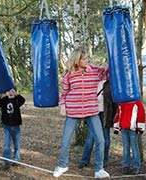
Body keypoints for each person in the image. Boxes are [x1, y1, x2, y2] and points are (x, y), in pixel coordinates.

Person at [53, 48, 110, 179]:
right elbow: (64, 93)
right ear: (77, 60)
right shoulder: (69, 74)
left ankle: (99, 169)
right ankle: (62, 165)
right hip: (73, 110)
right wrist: (62, 106)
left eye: (87, 58)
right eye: (84, 59)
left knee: (101, 140)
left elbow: (110, 74)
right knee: (66, 140)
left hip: (91, 110)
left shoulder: (95, 71)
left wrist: (114, 65)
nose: (87, 61)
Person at [79, 79, 117, 169]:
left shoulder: (111, 83)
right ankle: (84, 160)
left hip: (106, 114)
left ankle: (104, 160)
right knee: (90, 137)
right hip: (94, 113)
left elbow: (114, 102)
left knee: (105, 138)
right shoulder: (93, 82)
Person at [0, 88, 25, 170]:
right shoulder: (4, 100)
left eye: (12, 91)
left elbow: (23, 100)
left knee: (16, 144)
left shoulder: (17, 100)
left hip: (16, 126)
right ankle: (7, 161)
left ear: (15, 92)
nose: (10, 93)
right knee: (7, 144)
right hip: (6, 126)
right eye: (9, 91)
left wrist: (17, 95)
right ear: (6, 92)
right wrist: (0, 95)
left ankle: (16, 159)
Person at [113, 100, 146, 175]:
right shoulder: (122, 102)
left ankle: (136, 166)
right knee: (126, 148)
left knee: (134, 148)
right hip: (124, 128)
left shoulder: (137, 102)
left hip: (133, 129)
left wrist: (140, 127)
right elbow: (118, 114)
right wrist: (116, 127)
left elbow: (141, 114)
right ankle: (126, 165)